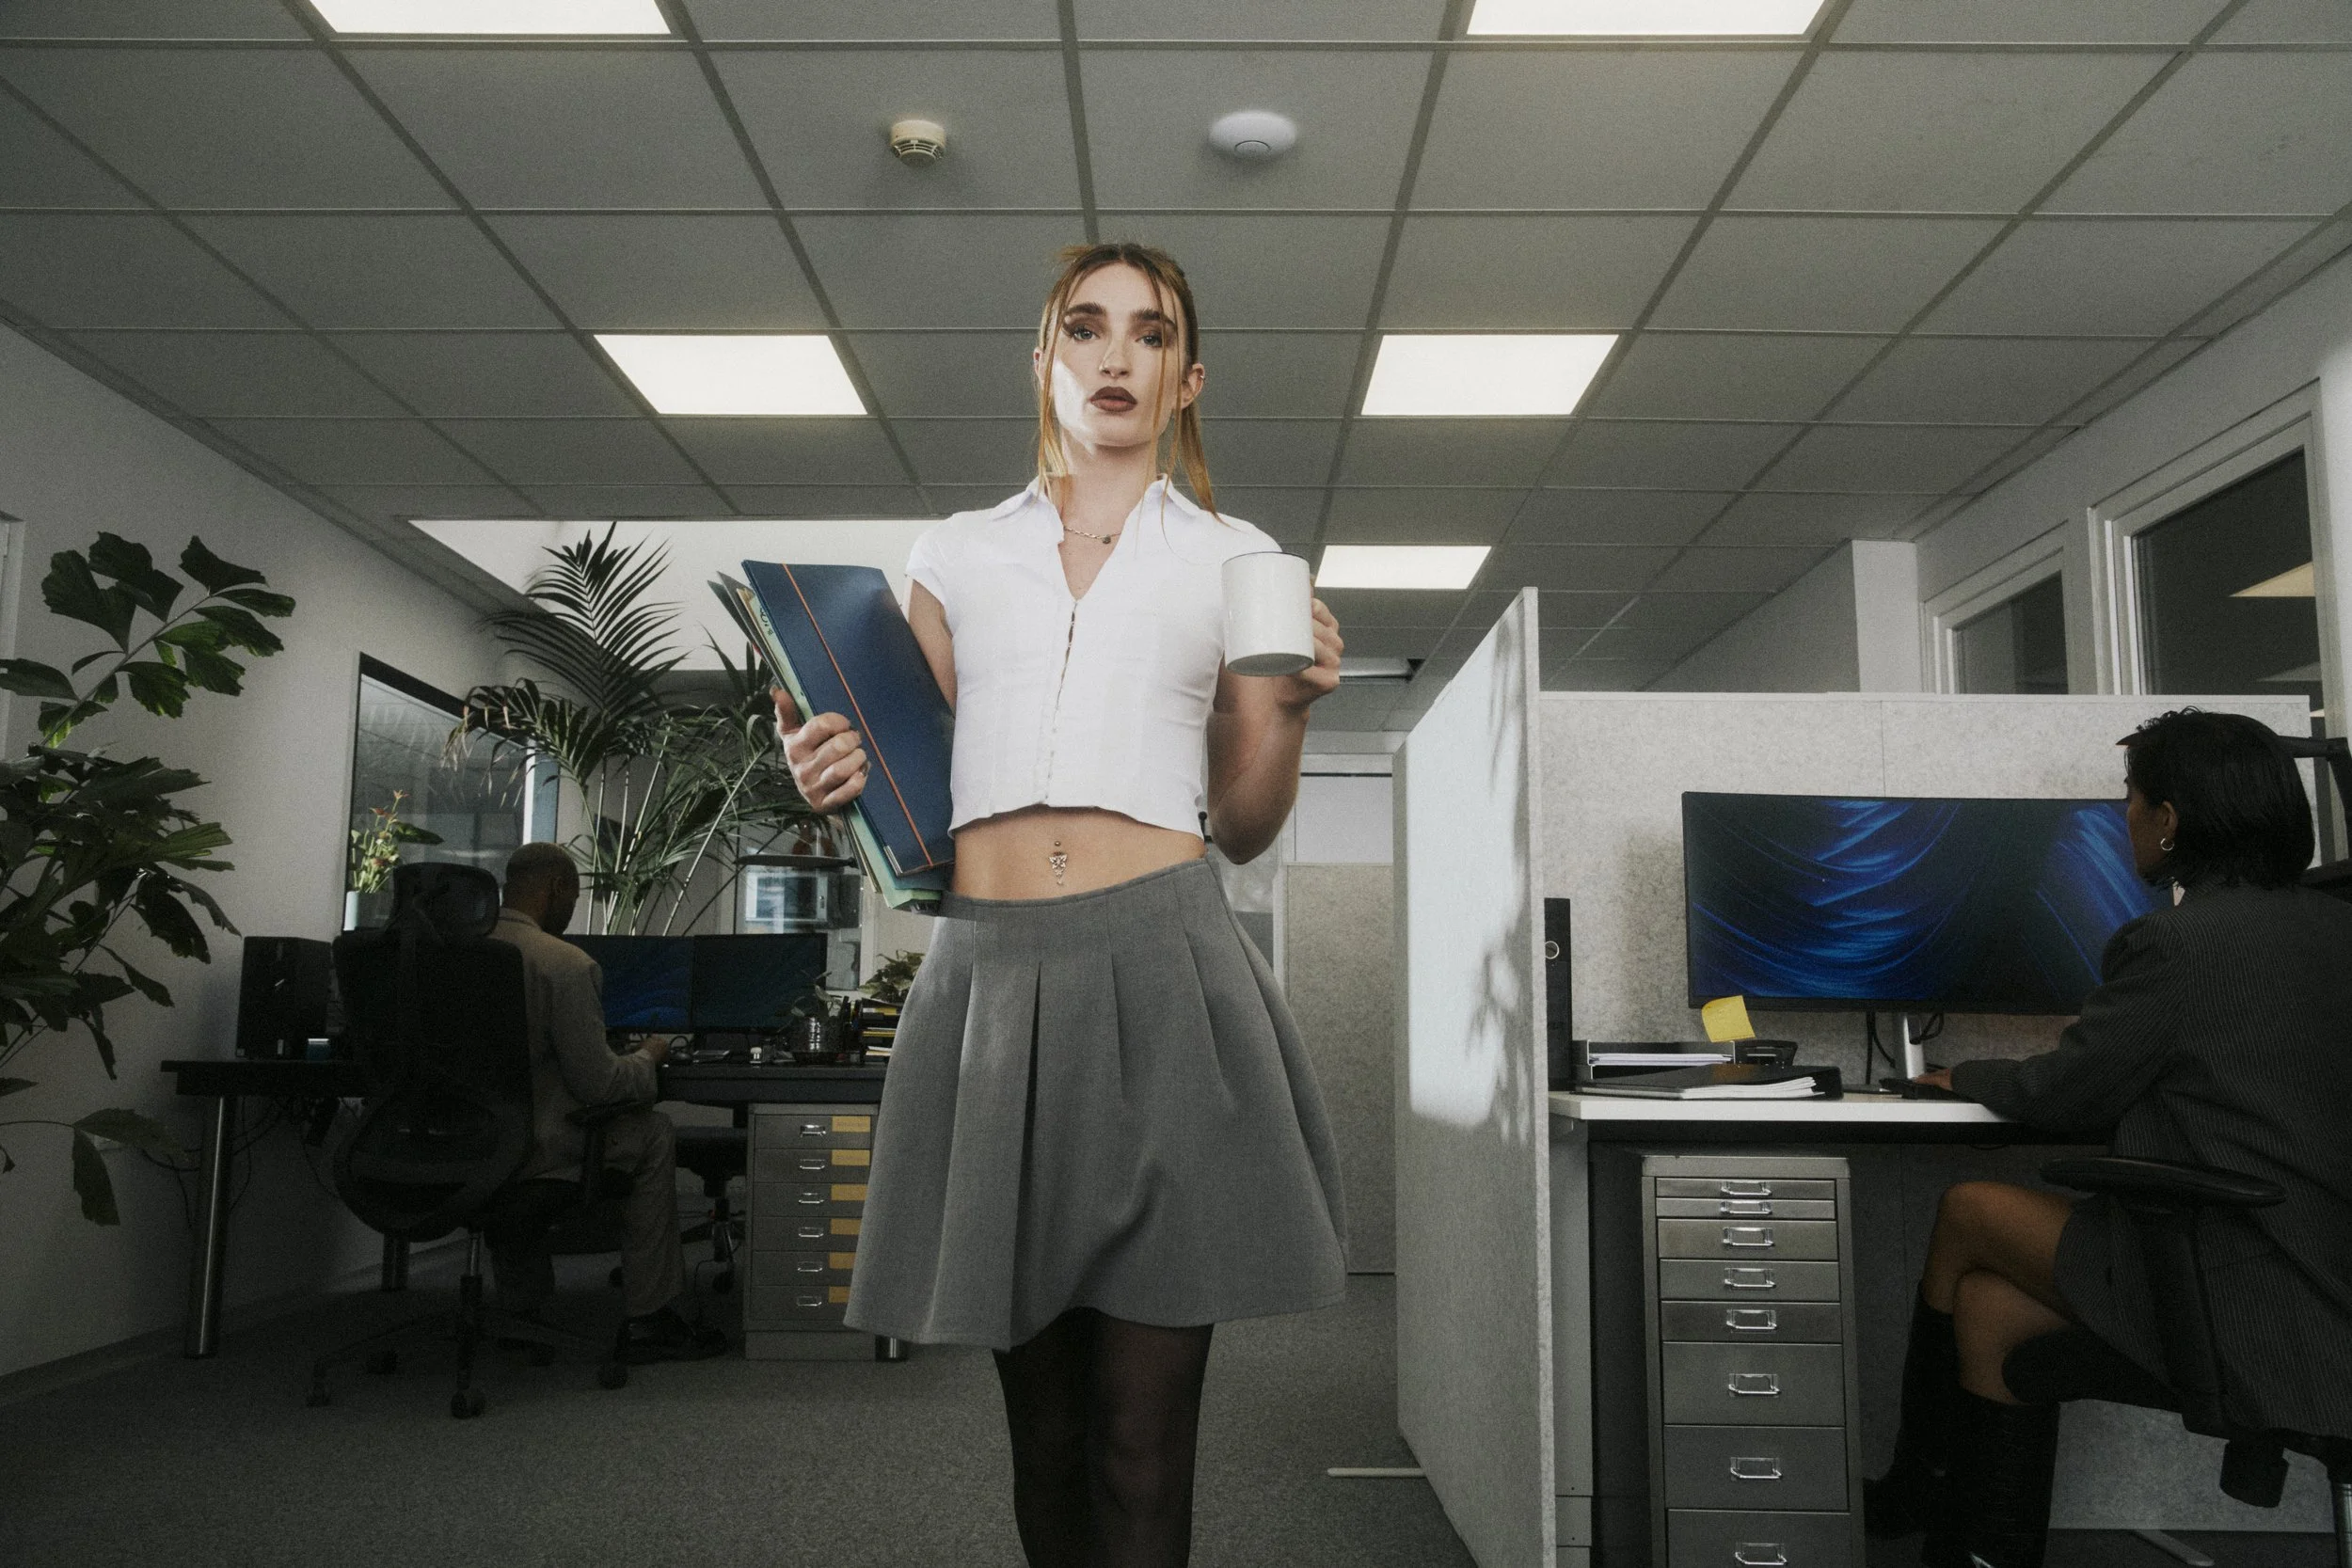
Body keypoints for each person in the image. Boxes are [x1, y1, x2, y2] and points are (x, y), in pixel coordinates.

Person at [776, 242, 1349, 1567]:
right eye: (1084, 328)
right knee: (1042, 1438)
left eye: (1148, 335)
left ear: (1184, 378)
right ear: (1043, 360)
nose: (1114, 353)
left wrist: (1297, 713)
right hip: (988, 985)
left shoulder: (1234, 555)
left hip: (1167, 965)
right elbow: (895, 779)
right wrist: (825, 771)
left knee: (1141, 1437)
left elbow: (1246, 822)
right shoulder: (956, 553)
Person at [1870, 709, 2352, 1568]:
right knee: (1989, 1310)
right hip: (2324, 1282)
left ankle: (1913, 1479)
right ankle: (1964, 1542)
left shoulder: (2177, 942)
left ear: (2170, 819)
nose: (2124, 815)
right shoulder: (2335, 925)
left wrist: (1964, 1075)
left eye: (2132, 798)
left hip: (2251, 1287)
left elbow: (2063, 1092)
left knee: (1970, 1206)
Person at [488, 841, 726, 1364]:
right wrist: (647, 1056)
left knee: (501, 1151)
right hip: (539, 1152)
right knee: (655, 1131)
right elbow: (600, 1087)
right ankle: (650, 1316)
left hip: (460, 1144)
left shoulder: (451, 955)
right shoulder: (562, 964)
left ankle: (519, 1311)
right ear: (559, 888)